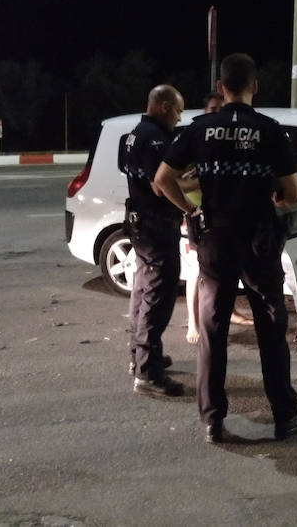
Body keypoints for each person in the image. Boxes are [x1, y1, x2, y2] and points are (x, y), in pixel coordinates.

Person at [155, 53, 297, 443]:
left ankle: (213, 420)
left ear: (222, 88)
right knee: (271, 330)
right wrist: (277, 196)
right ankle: (284, 413)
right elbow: (294, 194)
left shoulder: (200, 129)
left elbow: (162, 179)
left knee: (212, 331)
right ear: (255, 86)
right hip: (258, 243)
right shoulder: (271, 131)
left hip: (215, 243)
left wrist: (192, 209)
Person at [122, 84, 186, 397]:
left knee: (142, 288)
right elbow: (161, 185)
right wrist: (189, 203)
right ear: (163, 106)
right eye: (177, 110)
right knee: (157, 296)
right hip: (157, 226)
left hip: (140, 224)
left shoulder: (135, 134)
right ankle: (148, 373)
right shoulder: (157, 139)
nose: (179, 116)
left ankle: (141, 356)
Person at [182, 92, 253, 345]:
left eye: (220, 108)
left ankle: (231, 312)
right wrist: (192, 200)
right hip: (198, 215)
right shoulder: (198, 138)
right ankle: (193, 321)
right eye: (212, 108)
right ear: (204, 111)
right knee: (197, 271)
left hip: (222, 217)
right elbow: (174, 181)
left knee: (225, 270)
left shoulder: (223, 138)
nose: (216, 112)